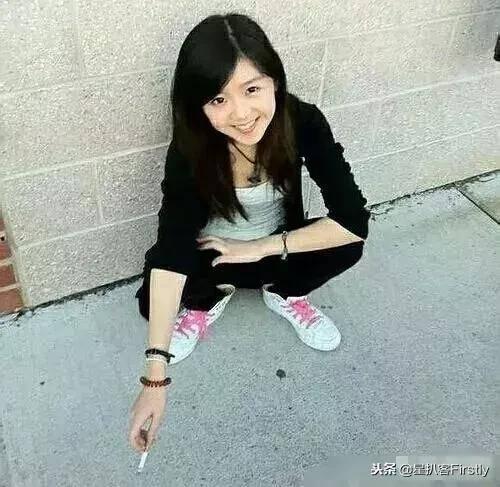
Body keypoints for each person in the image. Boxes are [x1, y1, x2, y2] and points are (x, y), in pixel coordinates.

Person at [128, 13, 371, 453]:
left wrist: (259, 247)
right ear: (197, 105)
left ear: (274, 81)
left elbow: (353, 220)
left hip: (273, 249)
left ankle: (285, 293)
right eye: (218, 99)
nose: (240, 114)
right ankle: (207, 300)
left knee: (346, 246)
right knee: (153, 304)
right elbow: (173, 246)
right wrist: (155, 378)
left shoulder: (302, 122)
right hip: (214, 254)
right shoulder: (192, 144)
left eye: (252, 89)